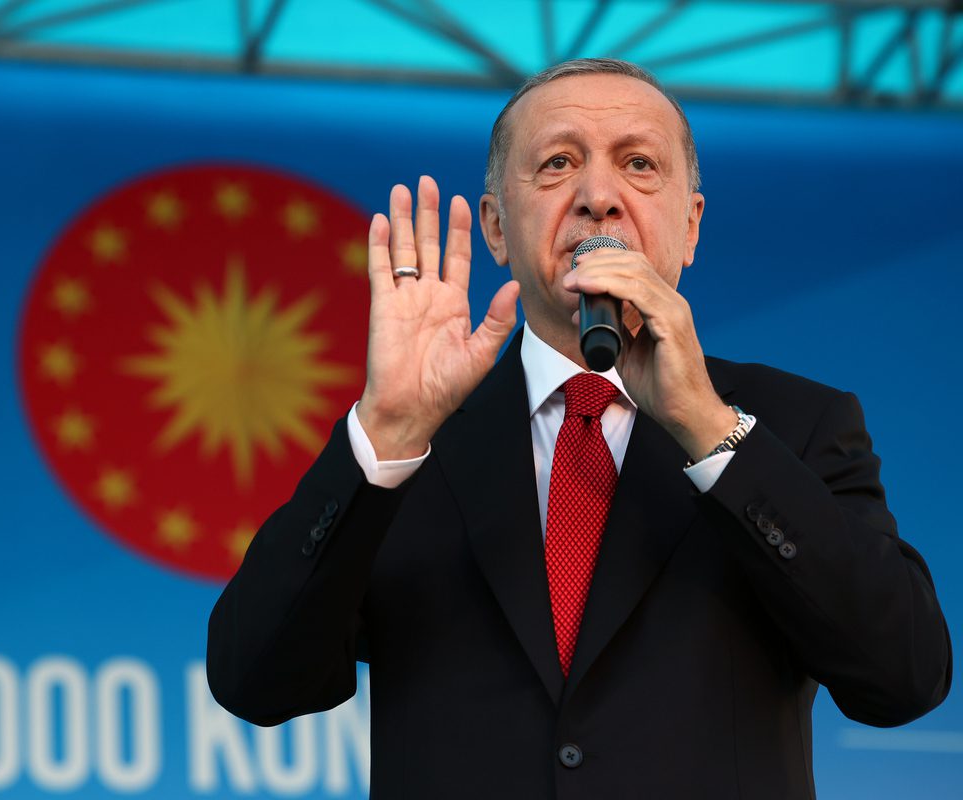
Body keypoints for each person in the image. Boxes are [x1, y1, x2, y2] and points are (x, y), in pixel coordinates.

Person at [206, 58, 951, 798]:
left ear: (690, 225)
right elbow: (255, 680)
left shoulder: (795, 425)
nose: (599, 197)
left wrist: (713, 434)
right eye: (559, 163)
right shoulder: (412, 441)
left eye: (639, 164)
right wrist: (388, 432)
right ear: (497, 228)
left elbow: (903, 678)